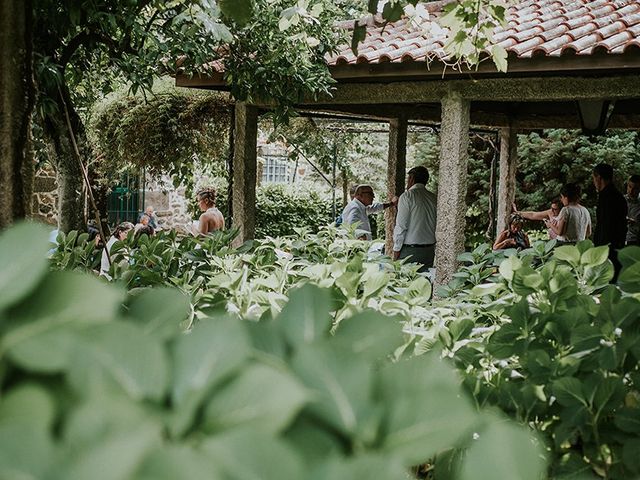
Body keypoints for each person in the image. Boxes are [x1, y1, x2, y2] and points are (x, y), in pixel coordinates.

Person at [393, 166, 437, 271]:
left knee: (406, 283)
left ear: (411, 179)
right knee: (424, 283)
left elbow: (401, 226)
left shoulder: (407, 196)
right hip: (429, 250)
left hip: (410, 250)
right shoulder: (433, 198)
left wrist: (396, 250)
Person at [592, 163, 627, 280]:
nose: (594, 182)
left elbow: (604, 226)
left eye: (594, 178)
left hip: (606, 249)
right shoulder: (619, 197)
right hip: (617, 247)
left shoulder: (606, 198)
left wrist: (599, 250)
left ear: (599, 178)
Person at [626, 174, 640, 246]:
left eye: (635, 188)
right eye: (630, 187)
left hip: (636, 241)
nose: (631, 191)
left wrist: (636, 223)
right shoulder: (621, 200)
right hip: (620, 239)